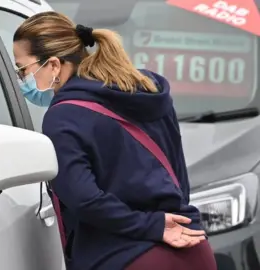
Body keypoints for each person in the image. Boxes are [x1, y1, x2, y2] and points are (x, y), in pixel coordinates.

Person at [12, 11, 216, 270]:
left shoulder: (63, 116)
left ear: (53, 65)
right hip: (192, 248)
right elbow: (178, 175)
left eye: (22, 69)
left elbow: (84, 199)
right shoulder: (147, 89)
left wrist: (150, 226)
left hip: (126, 258)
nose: (21, 80)